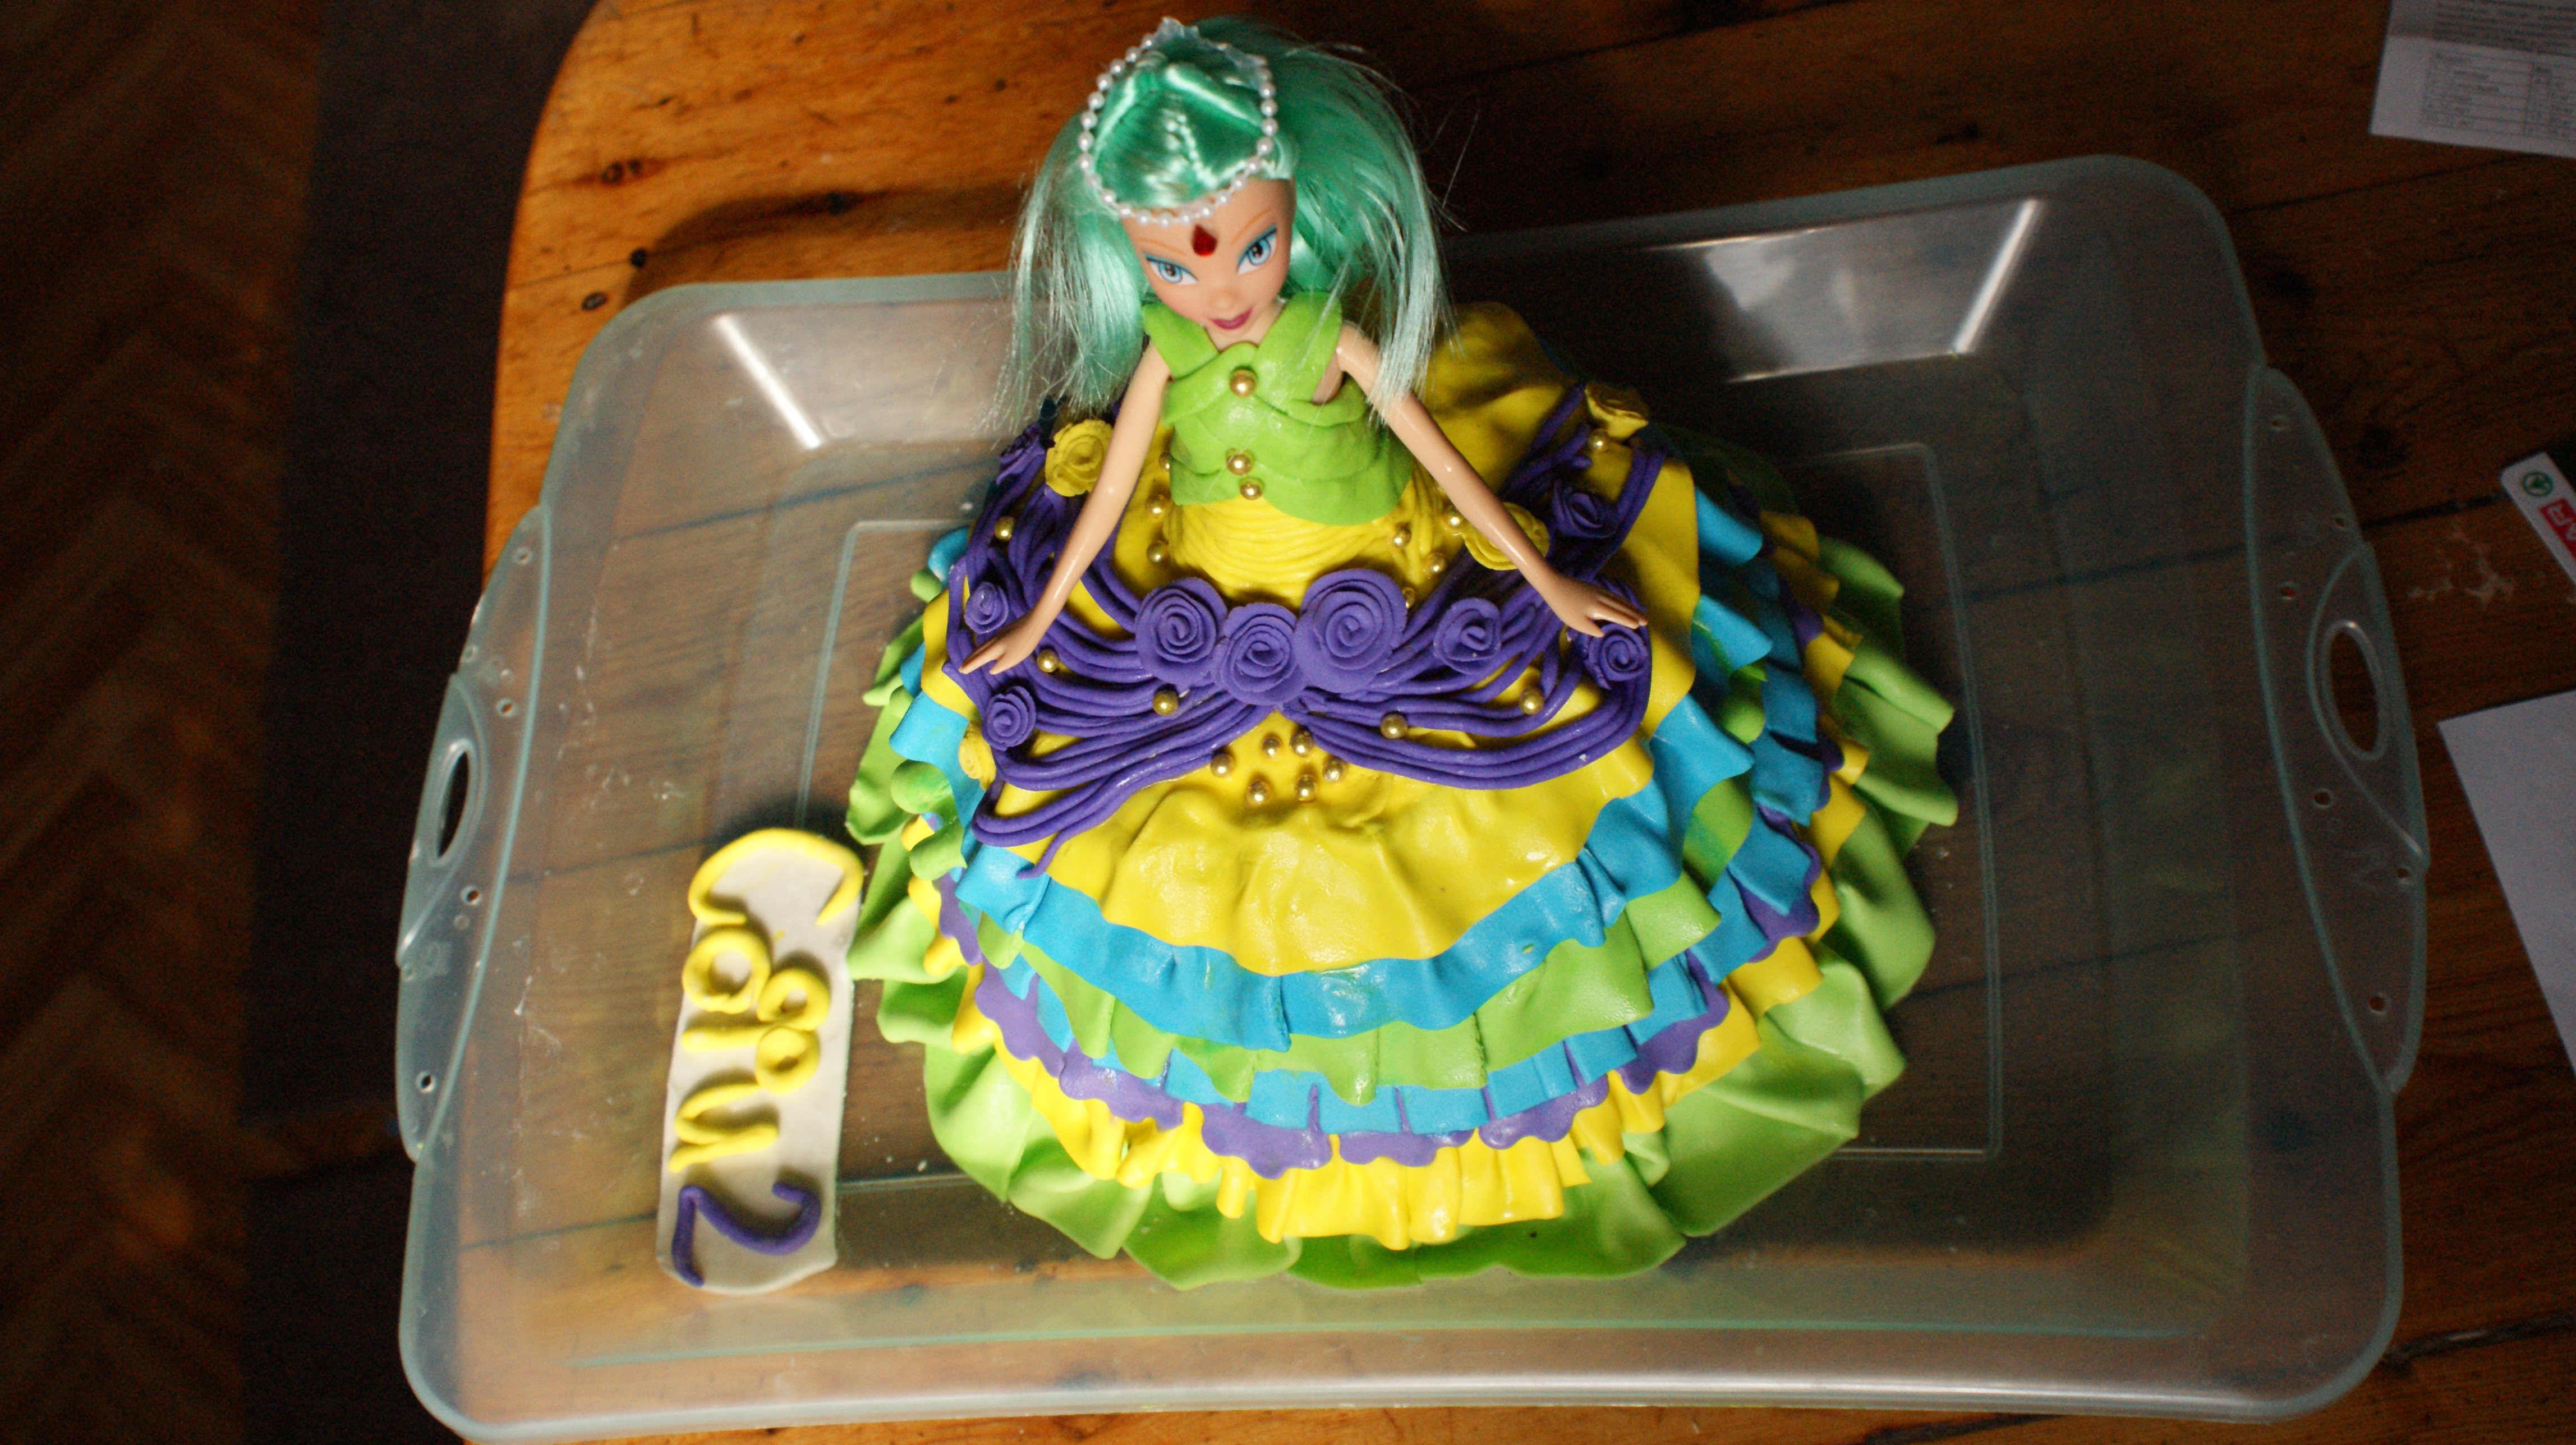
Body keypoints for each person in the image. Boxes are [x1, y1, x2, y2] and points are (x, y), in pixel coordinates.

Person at [843, 16, 1958, 1288]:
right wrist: (1043, 619)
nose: (1222, 289)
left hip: (1412, 582)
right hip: (1183, 598)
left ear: (1294, 220)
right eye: (1171, 264)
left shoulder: (1333, 338)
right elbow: (1102, 508)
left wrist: (1545, 576)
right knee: (1091, 824)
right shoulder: (1165, 355)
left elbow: (1443, 461)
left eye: (1252, 247)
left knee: (1554, 783)